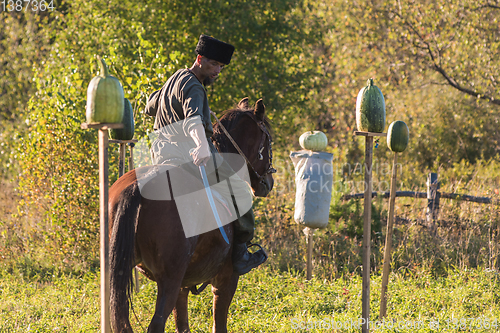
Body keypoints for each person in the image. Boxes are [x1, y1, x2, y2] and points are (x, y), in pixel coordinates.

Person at [144, 34, 267, 275]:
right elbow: (193, 121)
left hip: (160, 153)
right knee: (240, 190)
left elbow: (150, 106)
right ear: (199, 59)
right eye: (213, 65)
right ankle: (241, 255)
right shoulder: (194, 87)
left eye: (221, 67)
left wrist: (169, 98)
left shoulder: (175, 78)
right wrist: (201, 145)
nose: (217, 71)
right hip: (186, 154)